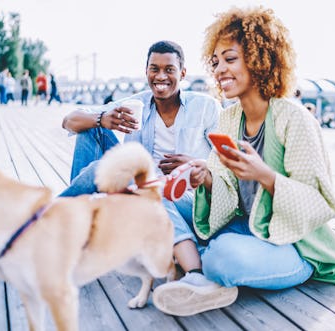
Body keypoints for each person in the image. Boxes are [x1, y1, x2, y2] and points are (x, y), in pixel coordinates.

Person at [152, 6, 335, 317]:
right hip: (241, 227)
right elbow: (225, 189)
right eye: (216, 61)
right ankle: (200, 272)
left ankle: (197, 262)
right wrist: (205, 176)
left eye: (230, 59)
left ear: (261, 59)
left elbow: (321, 204)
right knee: (154, 197)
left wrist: (266, 176)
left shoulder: (294, 118)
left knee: (223, 255)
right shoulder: (229, 118)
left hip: (293, 246)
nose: (220, 69)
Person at [60, 40, 222, 291]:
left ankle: (48, 221)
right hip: (139, 191)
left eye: (169, 69)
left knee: (126, 176)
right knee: (90, 131)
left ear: (183, 73)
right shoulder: (135, 103)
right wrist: (102, 119)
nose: (161, 76)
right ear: (146, 70)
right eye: (154, 68)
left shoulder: (206, 107)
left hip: (186, 200)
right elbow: (69, 121)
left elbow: (229, 162)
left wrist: (198, 164)